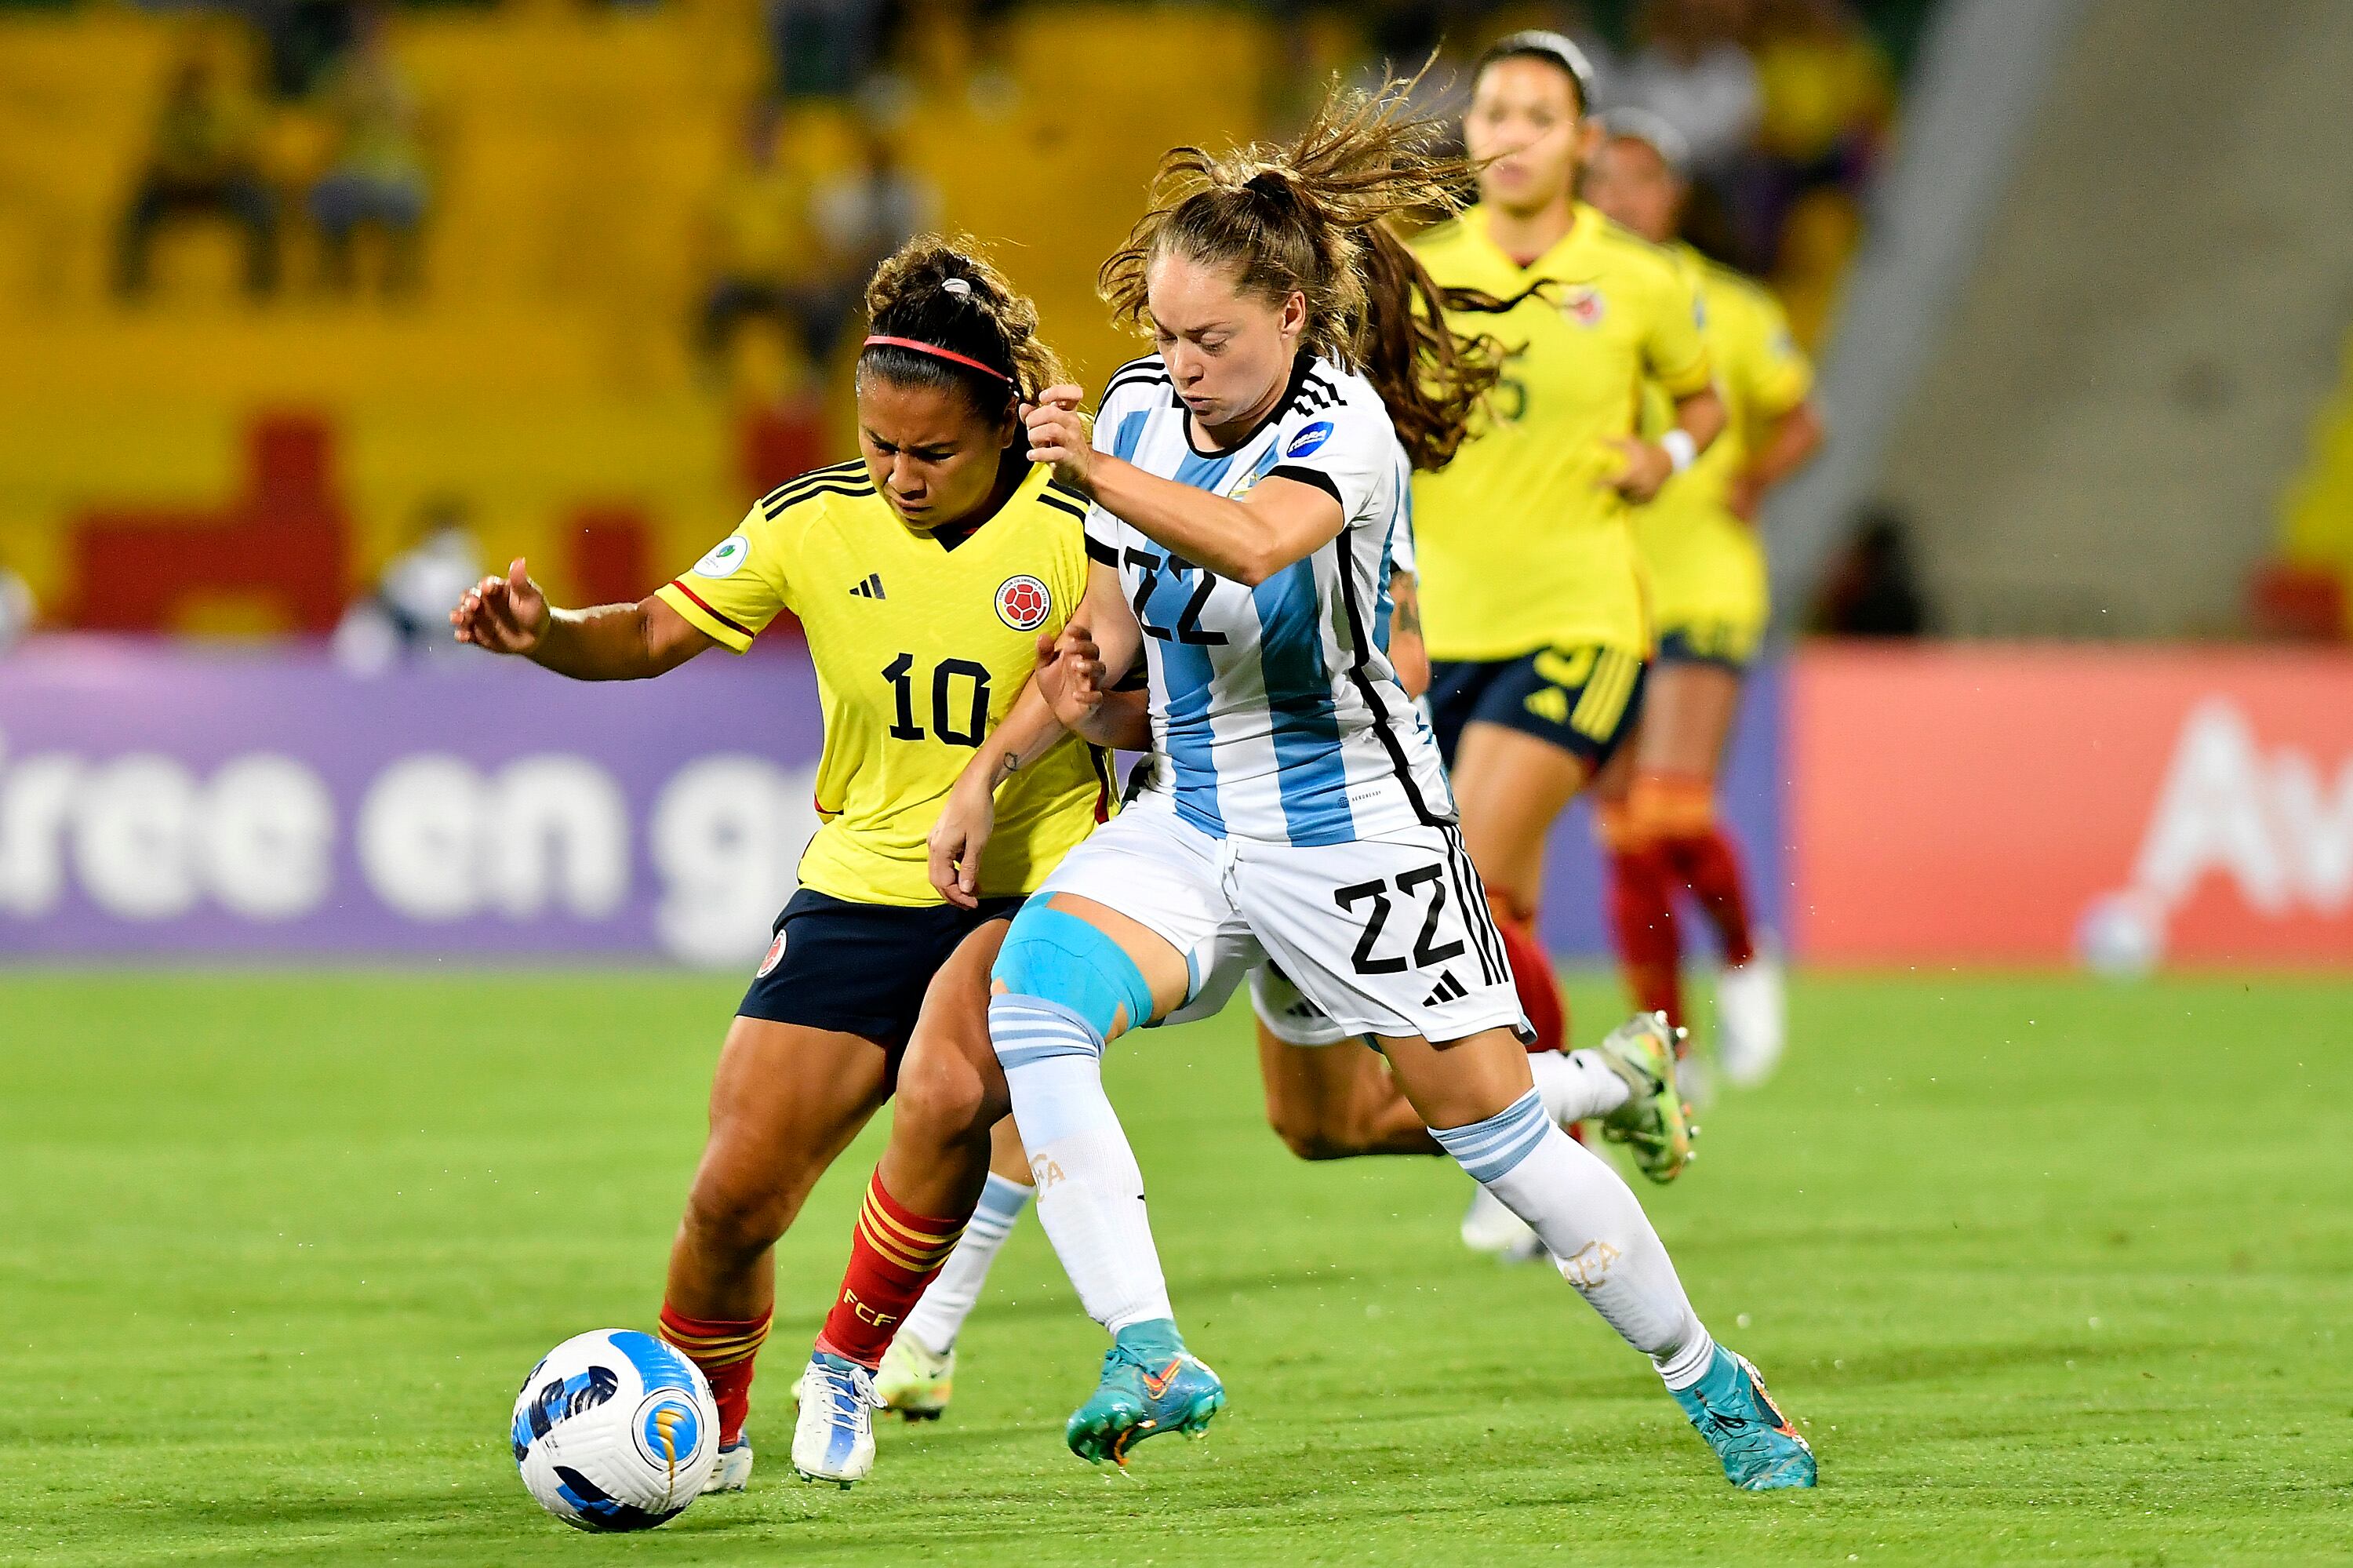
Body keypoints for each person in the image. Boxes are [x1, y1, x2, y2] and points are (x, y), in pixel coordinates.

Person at [920, 74, 1814, 1490]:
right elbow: (1108, 608)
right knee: (1032, 996)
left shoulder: (1347, 432)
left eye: (1212, 336)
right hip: (1194, 815)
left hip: (1357, 839)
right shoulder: (1146, 411)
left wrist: (1087, 465)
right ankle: (1148, 1342)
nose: (1181, 361)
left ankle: (1713, 1379)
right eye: (1164, 332)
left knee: (1503, 1143)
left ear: (1291, 316)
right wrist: (1050, 706)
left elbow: (1255, 544)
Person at [448, 236, 1118, 1496]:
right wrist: (546, 639)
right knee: (730, 1199)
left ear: (1005, 427)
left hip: (1034, 882)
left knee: (943, 1086)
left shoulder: (1082, 522)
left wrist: (1088, 718)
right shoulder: (813, 520)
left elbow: (1147, 706)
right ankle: (703, 1431)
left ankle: (853, 1361)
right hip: (862, 881)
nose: (901, 474)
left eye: (934, 451)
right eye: (880, 444)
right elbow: (651, 630)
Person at [1407, 31, 1726, 1251]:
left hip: (1583, 618)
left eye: (1542, 113)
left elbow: (1702, 402)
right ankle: (1598, 1097)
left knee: (1470, 880)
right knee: (1501, 905)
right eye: (1495, 109)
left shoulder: (1639, 278)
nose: (1514, 131)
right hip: (1445, 633)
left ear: (1584, 142)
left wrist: (1667, 454)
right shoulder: (1419, 274)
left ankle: (1536, 1151)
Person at [1582, 110, 1825, 1089]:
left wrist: (1752, 481)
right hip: (1598, 586)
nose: (1619, 197)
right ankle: (1668, 1047)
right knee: (1624, 829)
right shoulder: (1565, 304)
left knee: (1673, 809)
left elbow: (1802, 418)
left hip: (1705, 576)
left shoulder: (1724, 304)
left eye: (1638, 179)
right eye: (1601, 180)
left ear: (1672, 193)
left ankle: (1742, 957)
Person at [114, 49, 278, 300]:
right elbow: (157, 158)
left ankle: (262, 289)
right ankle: (131, 289)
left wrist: (207, 168)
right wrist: (184, 171)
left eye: (197, 81)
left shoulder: (224, 113)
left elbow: (235, 155)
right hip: (175, 189)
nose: (192, 87)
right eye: (187, 81)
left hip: (217, 187)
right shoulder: (166, 115)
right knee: (136, 214)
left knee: (260, 209)